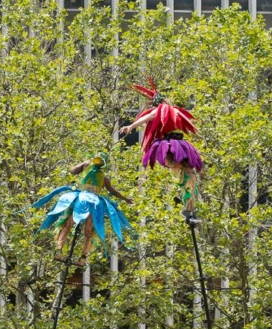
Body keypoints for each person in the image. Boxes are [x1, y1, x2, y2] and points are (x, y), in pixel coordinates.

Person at [120, 78, 202, 220]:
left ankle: (189, 207)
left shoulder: (174, 111)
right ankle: (187, 204)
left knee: (191, 175)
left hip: (180, 143)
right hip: (172, 145)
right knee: (187, 173)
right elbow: (144, 119)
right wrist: (131, 126)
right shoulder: (160, 110)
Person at [33, 153, 133, 267]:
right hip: (94, 203)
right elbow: (114, 192)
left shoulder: (87, 164)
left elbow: (73, 171)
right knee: (88, 231)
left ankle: (60, 250)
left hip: (82, 200)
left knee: (68, 224)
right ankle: (82, 257)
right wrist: (125, 199)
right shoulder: (104, 178)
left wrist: (77, 168)